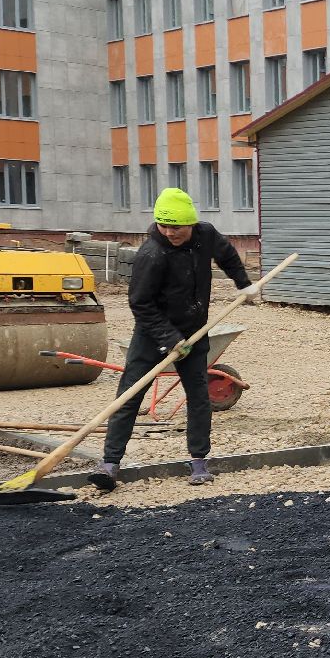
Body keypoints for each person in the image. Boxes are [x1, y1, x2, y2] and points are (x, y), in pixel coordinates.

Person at [92, 188, 259, 490]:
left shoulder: (205, 235)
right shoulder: (151, 254)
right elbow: (140, 303)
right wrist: (168, 338)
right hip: (153, 334)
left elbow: (227, 255)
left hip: (194, 332)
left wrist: (243, 284)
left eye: (176, 227)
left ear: (191, 224)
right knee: (129, 396)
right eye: (163, 226)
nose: (169, 232)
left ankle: (198, 462)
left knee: (198, 397)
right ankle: (109, 464)